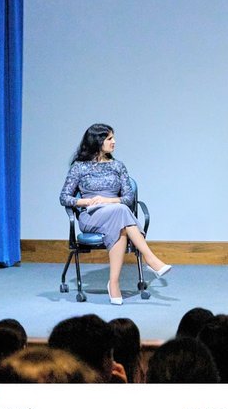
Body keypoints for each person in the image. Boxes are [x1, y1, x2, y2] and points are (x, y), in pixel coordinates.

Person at [59, 123, 172, 305]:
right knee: (121, 213)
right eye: (109, 138)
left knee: (119, 218)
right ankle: (150, 259)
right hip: (91, 215)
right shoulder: (79, 168)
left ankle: (114, 283)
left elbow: (128, 198)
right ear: (98, 141)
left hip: (116, 213)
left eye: (113, 137)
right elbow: (64, 197)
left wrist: (108, 200)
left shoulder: (118, 166)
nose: (114, 142)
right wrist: (86, 201)